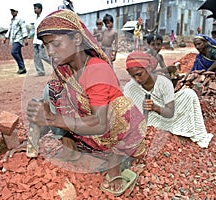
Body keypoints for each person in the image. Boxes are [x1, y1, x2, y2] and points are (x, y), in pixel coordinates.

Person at [26, 9, 146, 195]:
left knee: (119, 108)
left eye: (56, 44)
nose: (49, 52)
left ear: (76, 40)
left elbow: (99, 124)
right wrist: (47, 122)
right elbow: (57, 103)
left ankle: (116, 160)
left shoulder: (97, 70)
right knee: (51, 91)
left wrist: (51, 120)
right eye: (46, 46)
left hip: (109, 131)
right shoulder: (63, 69)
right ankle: (71, 142)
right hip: (86, 131)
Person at [123, 52, 213, 148]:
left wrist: (155, 107)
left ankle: (182, 131)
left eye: (139, 74)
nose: (137, 79)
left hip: (164, 111)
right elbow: (129, 112)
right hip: (149, 118)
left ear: (148, 69)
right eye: (133, 76)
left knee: (189, 94)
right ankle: (168, 132)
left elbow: (170, 112)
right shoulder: (131, 87)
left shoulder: (163, 82)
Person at [3, 8, 28, 74]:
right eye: (11, 11)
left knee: (14, 52)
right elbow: (10, 30)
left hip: (19, 39)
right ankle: (22, 68)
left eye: (13, 11)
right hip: (14, 39)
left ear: (17, 12)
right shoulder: (12, 20)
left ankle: (22, 67)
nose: (12, 12)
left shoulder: (20, 19)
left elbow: (23, 28)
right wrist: (5, 38)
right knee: (18, 54)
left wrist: (25, 38)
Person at [32, 3, 51, 76]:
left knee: (43, 56)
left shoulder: (43, 18)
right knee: (36, 57)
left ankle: (57, 65)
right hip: (35, 40)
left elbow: (45, 29)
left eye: (35, 8)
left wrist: (44, 41)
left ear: (40, 9)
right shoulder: (35, 19)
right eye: (34, 8)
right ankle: (40, 72)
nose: (34, 10)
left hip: (40, 40)